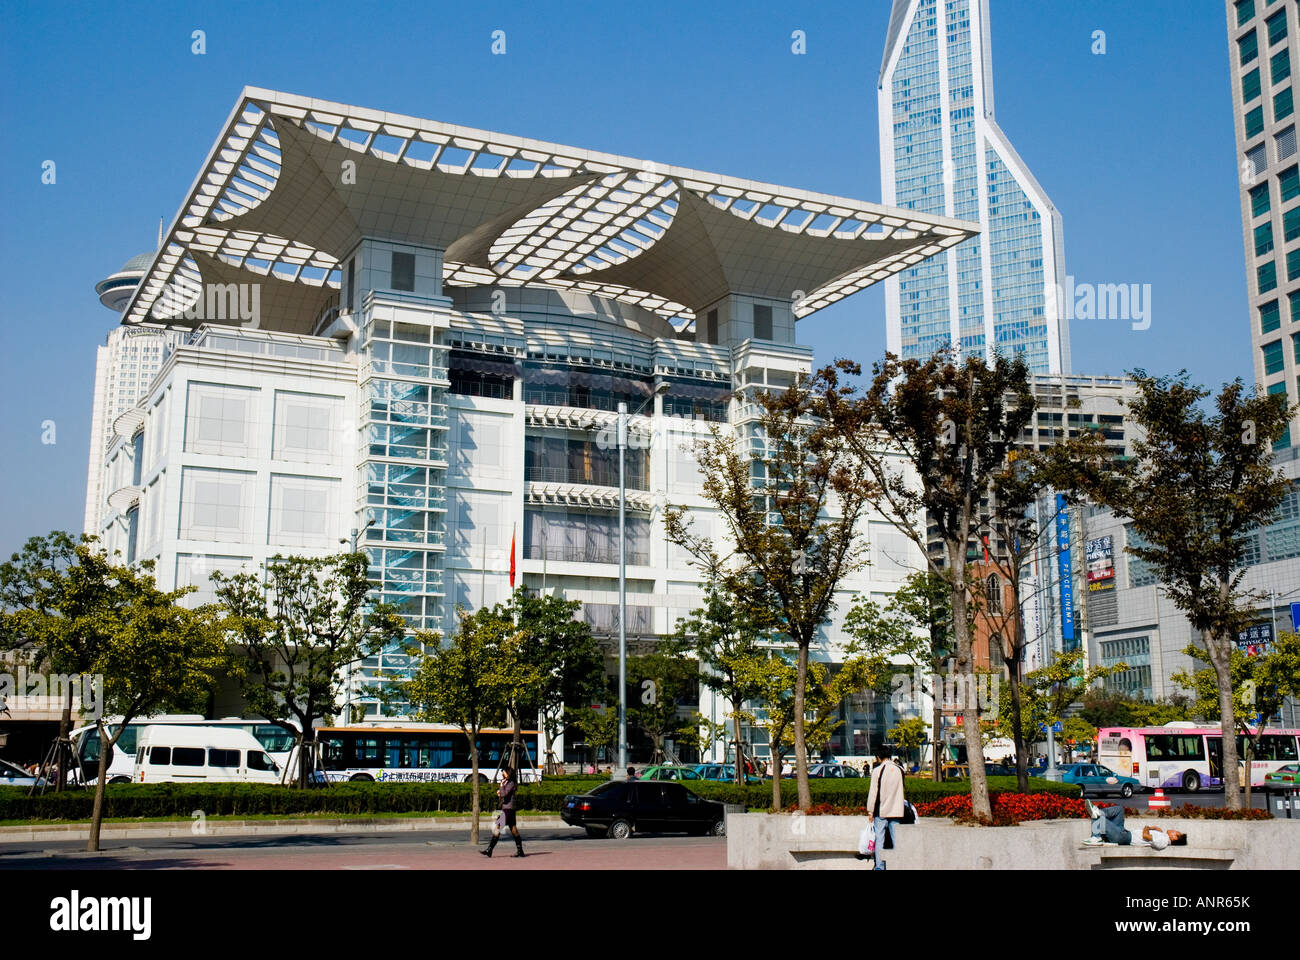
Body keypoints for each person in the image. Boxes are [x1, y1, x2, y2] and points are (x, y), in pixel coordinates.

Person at [863, 744, 906, 870]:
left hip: (881, 810)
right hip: (897, 809)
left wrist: (870, 811)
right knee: (896, 840)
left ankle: (880, 867)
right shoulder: (900, 769)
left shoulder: (878, 770)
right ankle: (898, 865)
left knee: (880, 839)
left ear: (878, 757)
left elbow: (873, 793)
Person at [481, 766, 524, 858]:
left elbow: (504, 794)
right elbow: (504, 795)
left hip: (507, 810)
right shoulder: (508, 782)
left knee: (498, 828)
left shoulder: (511, 783)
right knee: (514, 830)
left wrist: (501, 786)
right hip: (509, 809)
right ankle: (520, 851)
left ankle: (489, 850)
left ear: (508, 773)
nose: (502, 774)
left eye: (503, 772)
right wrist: (500, 792)